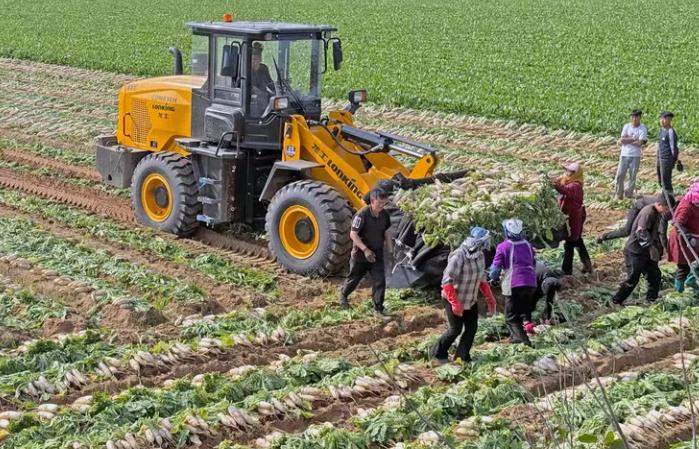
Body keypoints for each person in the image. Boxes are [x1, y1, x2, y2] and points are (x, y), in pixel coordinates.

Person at [431, 227, 496, 365]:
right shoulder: (459, 256)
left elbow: (482, 279)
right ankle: (437, 354)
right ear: (477, 242)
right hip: (453, 298)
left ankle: (462, 356)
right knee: (455, 329)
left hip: (470, 299)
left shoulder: (480, 255)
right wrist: (455, 303)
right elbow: (446, 281)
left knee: (472, 328)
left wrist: (490, 300)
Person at [339, 188, 392, 317]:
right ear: (372, 201)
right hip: (361, 254)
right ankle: (343, 295)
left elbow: (387, 232)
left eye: (384, 203)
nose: (382, 206)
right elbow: (353, 234)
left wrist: (390, 251)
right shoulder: (361, 215)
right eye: (379, 203)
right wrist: (365, 250)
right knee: (354, 278)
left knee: (380, 280)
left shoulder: (385, 215)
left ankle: (378, 308)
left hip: (377, 253)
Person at [611, 199, 670, 306]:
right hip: (635, 251)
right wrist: (651, 247)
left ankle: (651, 300)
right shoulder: (648, 212)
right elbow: (641, 232)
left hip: (645, 252)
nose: (667, 211)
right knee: (633, 278)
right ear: (659, 204)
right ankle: (616, 300)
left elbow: (658, 233)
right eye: (666, 208)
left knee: (655, 275)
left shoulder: (658, 213)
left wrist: (659, 249)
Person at [488, 219, 537, 346]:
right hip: (530, 282)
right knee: (522, 311)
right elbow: (533, 262)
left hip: (514, 283)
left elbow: (495, 268)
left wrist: (493, 278)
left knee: (511, 318)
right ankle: (517, 336)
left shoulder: (503, 246)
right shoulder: (528, 244)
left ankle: (524, 341)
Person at [553, 163, 593, 275]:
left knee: (570, 242)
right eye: (567, 170)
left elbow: (565, 190)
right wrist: (557, 180)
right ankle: (587, 265)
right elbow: (562, 186)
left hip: (574, 217)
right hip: (571, 215)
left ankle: (567, 270)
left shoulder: (576, 185)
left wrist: (554, 184)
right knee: (577, 240)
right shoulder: (569, 181)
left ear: (576, 173)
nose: (567, 173)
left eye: (570, 171)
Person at [597, 194, 674, 251]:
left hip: (645, 208)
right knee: (627, 231)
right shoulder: (665, 209)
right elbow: (662, 230)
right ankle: (603, 236)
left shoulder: (668, 207)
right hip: (638, 208)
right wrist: (666, 247)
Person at [668, 181, 699, 292]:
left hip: (696, 236)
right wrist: (688, 237)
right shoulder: (686, 206)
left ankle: (691, 280)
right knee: (684, 267)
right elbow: (677, 223)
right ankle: (678, 291)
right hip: (683, 239)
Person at [614, 109, 648, 199]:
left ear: (639, 117)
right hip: (624, 154)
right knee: (620, 175)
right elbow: (622, 140)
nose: (634, 119)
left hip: (635, 156)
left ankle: (628, 194)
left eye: (636, 117)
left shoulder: (642, 128)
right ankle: (618, 194)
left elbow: (640, 143)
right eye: (632, 117)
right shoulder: (626, 126)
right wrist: (634, 139)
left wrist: (627, 140)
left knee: (632, 177)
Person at [522, 261, 564, 332]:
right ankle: (525, 322)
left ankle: (543, 318)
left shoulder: (552, 280)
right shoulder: (533, 279)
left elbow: (549, 301)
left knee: (541, 299)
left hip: (539, 279)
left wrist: (548, 317)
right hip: (525, 274)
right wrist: (526, 319)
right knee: (530, 302)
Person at [657, 111, 682, 194]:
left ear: (669, 120)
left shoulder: (670, 131)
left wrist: (674, 160)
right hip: (660, 158)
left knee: (666, 181)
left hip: (667, 160)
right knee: (660, 179)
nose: (662, 121)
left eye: (665, 119)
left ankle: (669, 197)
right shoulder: (662, 131)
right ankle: (664, 195)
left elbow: (673, 147)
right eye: (661, 118)